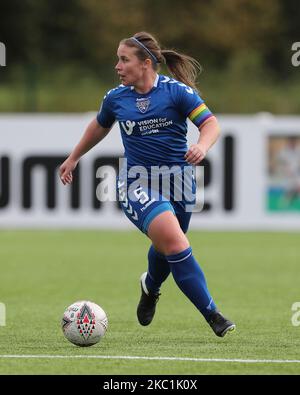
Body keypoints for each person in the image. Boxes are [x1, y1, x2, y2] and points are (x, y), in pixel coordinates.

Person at [59, 31, 235, 337]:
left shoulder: (176, 92)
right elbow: (99, 126)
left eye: (123, 59)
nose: (117, 66)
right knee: (177, 243)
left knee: (168, 248)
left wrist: (202, 147)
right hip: (136, 182)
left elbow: (210, 123)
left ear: (145, 63)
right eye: (118, 59)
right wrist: (73, 157)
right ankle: (213, 315)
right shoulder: (116, 98)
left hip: (180, 182)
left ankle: (150, 286)